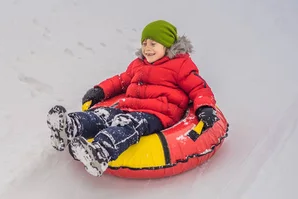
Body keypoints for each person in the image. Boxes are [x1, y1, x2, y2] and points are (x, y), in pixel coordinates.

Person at [46, 20, 220, 177]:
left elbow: (199, 88)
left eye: (153, 43)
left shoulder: (181, 65)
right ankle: (69, 126)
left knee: (125, 123)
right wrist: (100, 90)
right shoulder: (139, 64)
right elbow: (121, 80)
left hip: (157, 114)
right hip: (130, 106)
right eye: (144, 43)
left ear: (168, 45)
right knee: (104, 114)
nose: (147, 48)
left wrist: (205, 107)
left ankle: (100, 152)